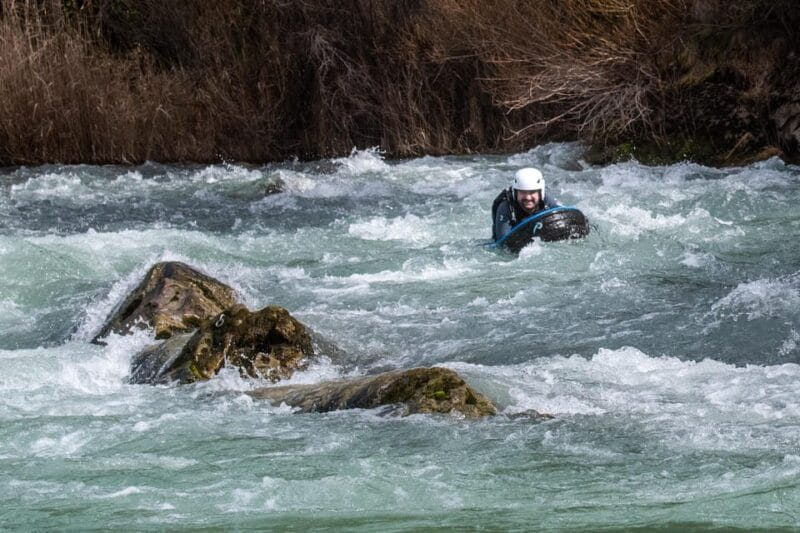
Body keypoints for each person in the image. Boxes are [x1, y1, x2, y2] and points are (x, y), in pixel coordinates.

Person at [491, 167, 559, 242]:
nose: (528, 197)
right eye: (522, 192)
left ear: (540, 193)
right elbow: (503, 244)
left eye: (532, 192)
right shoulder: (506, 207)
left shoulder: (548, 202)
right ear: (515, 193)